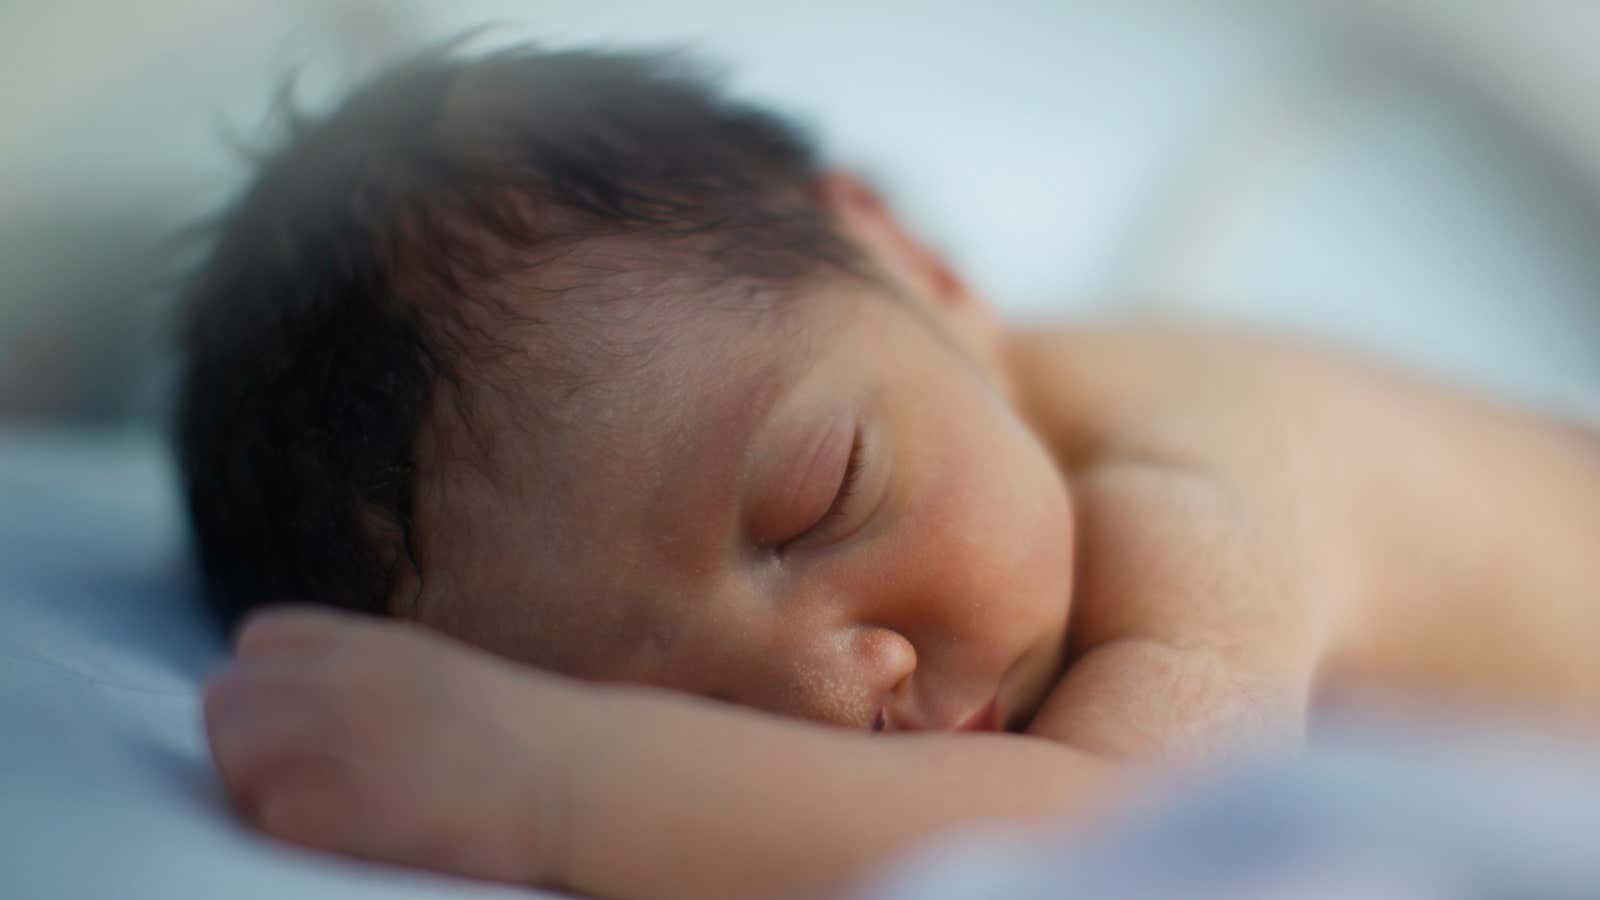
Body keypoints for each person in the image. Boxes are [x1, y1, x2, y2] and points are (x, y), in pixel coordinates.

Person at [179, 44, 1600, 900]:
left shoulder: (1196, 473)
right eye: (686, 711)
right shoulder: (895, 423)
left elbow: (1120, 848)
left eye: (815, 503)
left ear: (909, 261)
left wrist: (560, 776)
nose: (819, 698)